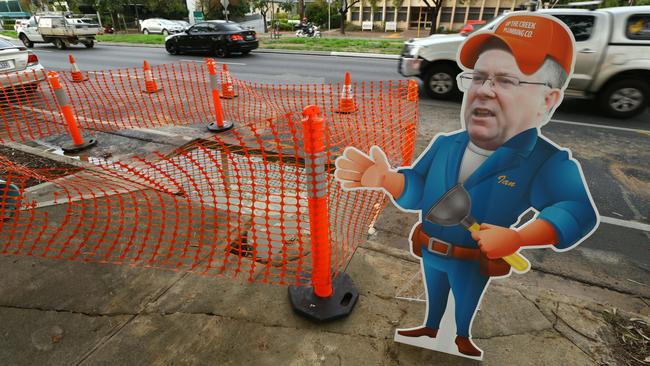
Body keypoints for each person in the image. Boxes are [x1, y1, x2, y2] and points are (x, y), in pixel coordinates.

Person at [335, 13, 598, 358]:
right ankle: (430, 328)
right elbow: (420, 190)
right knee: (435, 293)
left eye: (506, 80)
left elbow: (577, 211)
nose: (484, 90)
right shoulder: (447, 143)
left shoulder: (544, 160)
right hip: (431, 249)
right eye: (478, 77)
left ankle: (460, 336)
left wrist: (519, 237)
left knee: (465, 300)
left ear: (547, 101)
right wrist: (388, 179)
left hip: (472, 260)